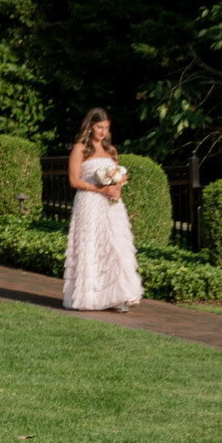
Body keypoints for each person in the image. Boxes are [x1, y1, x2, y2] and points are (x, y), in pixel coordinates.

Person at [63, 108, 142, 314]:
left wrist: (117, 187)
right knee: (92, 246)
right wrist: (100, 188)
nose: (102, 132)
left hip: (111, 205)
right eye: (99, 127)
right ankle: (90, 298)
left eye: (106, 128)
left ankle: (119, 296)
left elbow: (116, 175)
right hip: (89, 203)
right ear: (90, 126)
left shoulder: (112, 150)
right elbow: (74, 180)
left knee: (115, 246)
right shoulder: (80, 149)